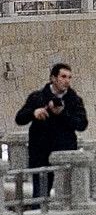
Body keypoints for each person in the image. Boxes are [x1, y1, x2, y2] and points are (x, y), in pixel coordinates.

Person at [15, 63, 89, 197]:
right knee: (40, 195)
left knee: (66, 197)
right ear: (53, 78)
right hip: (41, 154)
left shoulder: (74, 100)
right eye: (63, 76)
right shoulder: (37, 97)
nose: (67, 81)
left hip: (64, 154)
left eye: (69, 77)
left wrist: (62, 113)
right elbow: (19, 119)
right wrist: (34, 113)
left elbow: (82, 124)